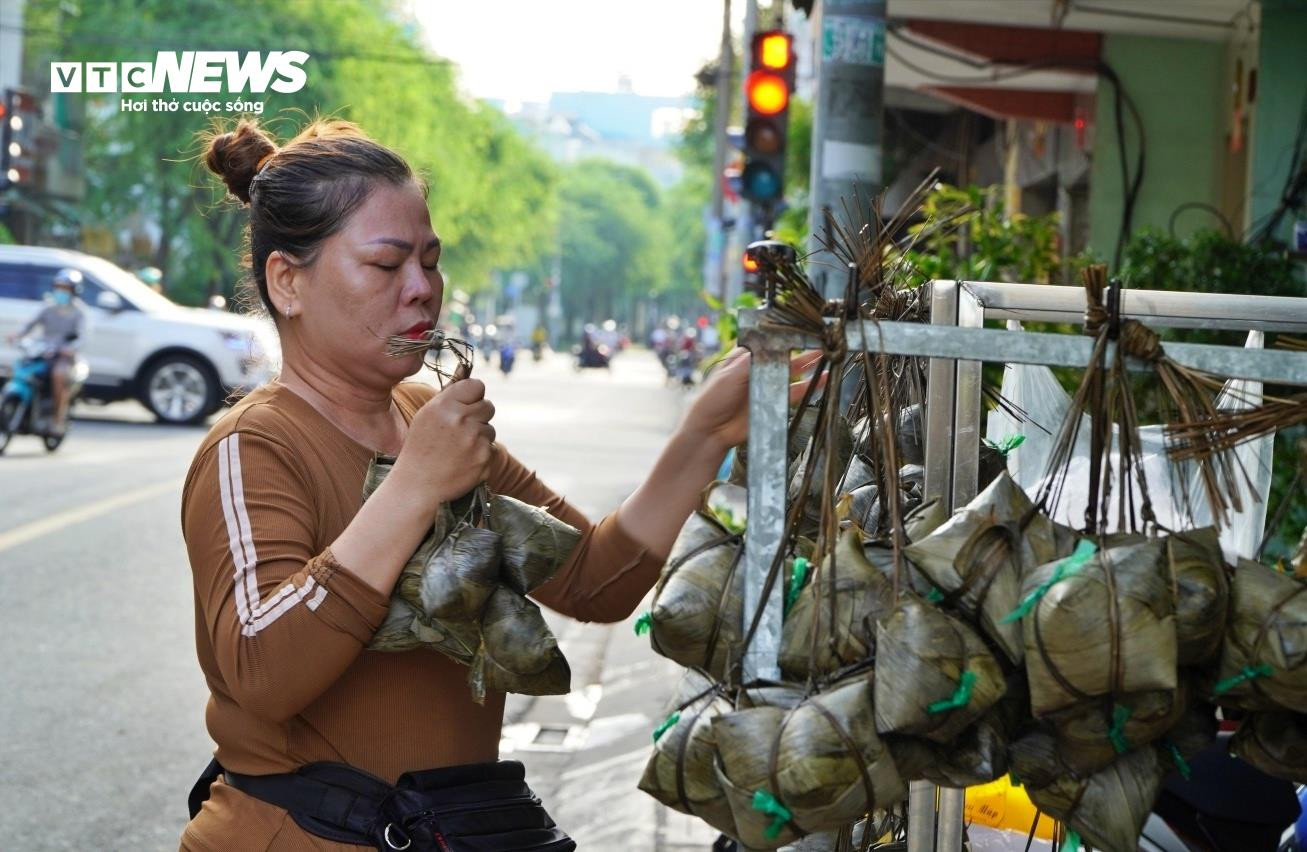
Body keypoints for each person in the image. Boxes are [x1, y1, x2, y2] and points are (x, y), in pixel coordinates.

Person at [182, 117, 819, 851]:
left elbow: (592, 582)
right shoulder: (254, 444)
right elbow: (261, 673)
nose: (422, 289)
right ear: (288, 283)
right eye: (387, 266)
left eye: (430, 261)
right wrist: (414, 487)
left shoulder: (428, 419)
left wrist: (702, 436)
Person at [6, 268, 85, 434]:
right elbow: (29, 325)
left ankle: (57, 419)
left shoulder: (79, 313)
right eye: (59, 287)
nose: (61, 292)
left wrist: (70, 349)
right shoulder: (48, 308)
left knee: (58, 375)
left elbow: (82, 338)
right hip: (44, 351)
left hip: (64, 356)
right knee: (21, 367)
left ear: (74, 291)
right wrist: (16, 335)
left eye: (65, 289)